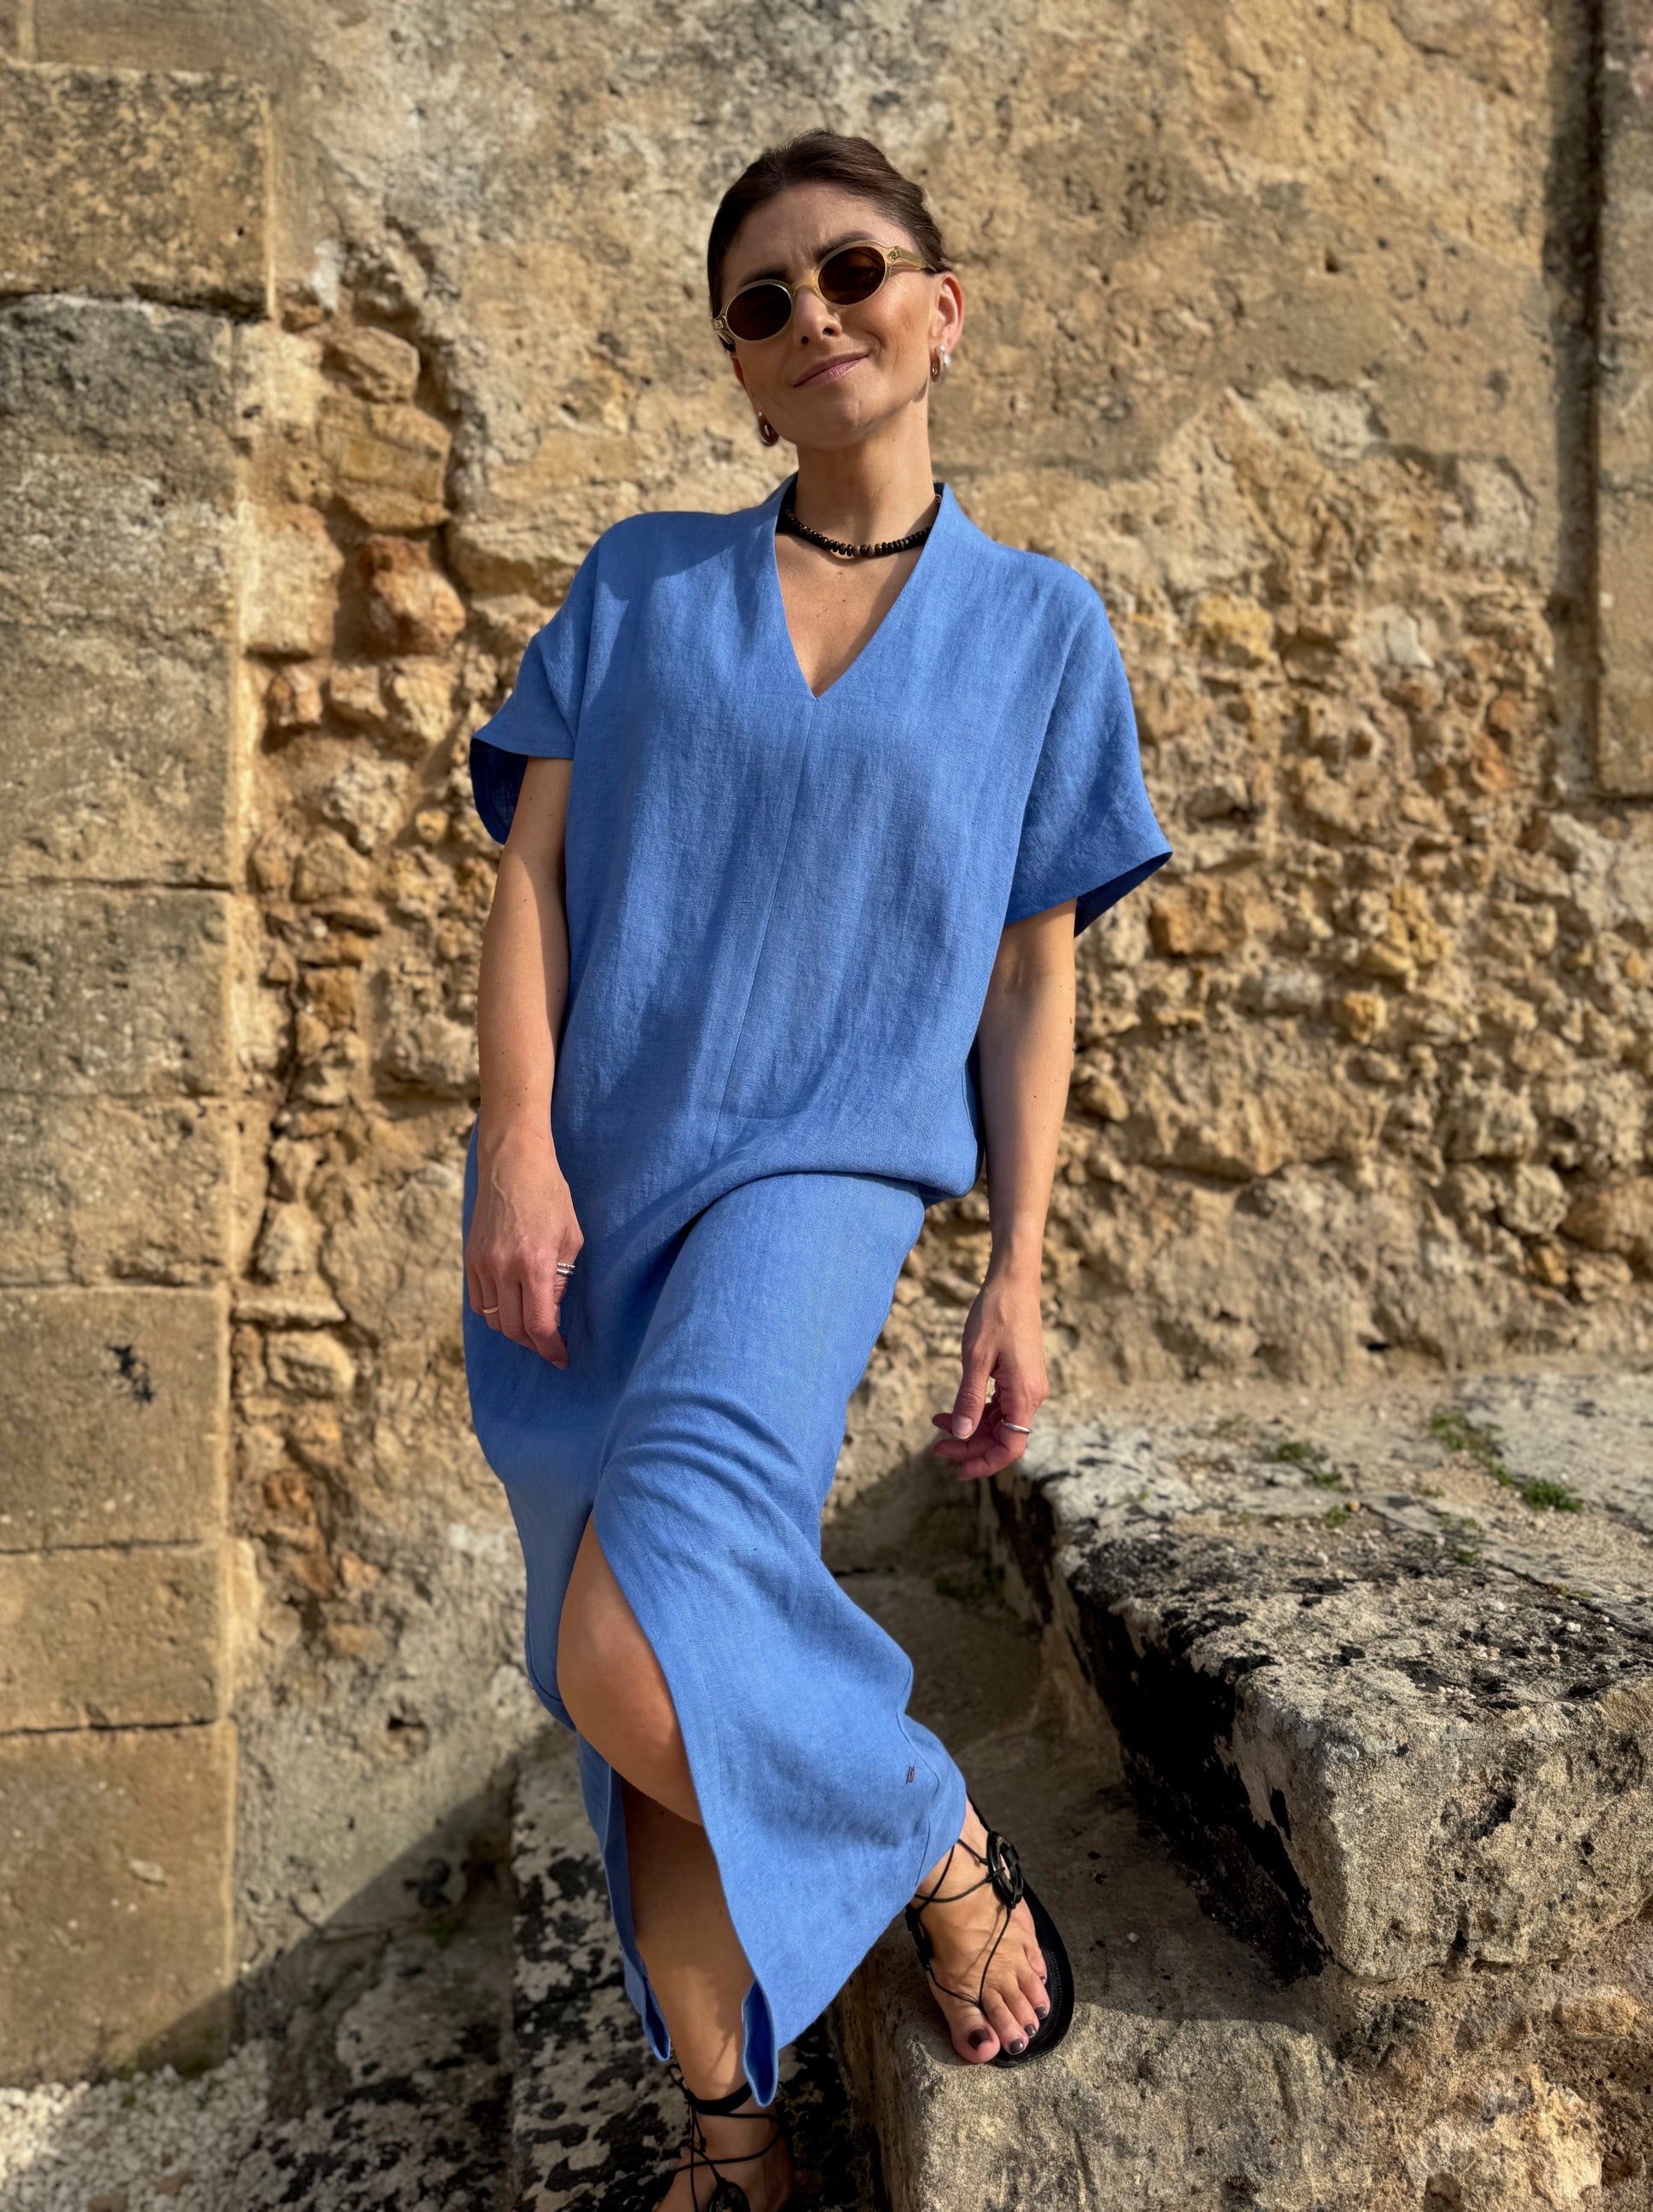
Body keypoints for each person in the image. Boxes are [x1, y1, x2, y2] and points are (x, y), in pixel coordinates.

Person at [461, 129, 1171, 2212]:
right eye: (762, 302)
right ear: (742, 369)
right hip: (590, 1189)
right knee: (638, 1674)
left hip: (821, 1181)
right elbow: (532, 880)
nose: (814, 317)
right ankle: (736, 2142)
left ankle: (930, 1831)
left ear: (941, 309)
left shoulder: (1041, 632)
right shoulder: (638, 583)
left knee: (635, 1631)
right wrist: (515, 1139)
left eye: (852, 271)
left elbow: (1029, 977)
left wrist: (1017, 1264)